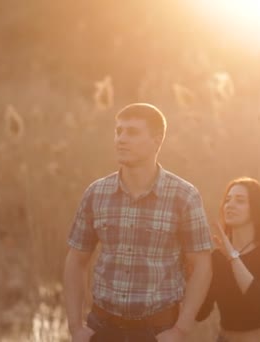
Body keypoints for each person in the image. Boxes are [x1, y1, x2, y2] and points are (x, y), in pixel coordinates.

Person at [63, 103, 213, 342]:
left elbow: (202, 265)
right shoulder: (96, 193)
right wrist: (75, 327)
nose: (121, 139)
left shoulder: (184, 196)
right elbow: (76, 260)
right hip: (101, 328)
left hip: (158, 330)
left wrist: (180, 330)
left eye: (132, 132)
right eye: (118, 131)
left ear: (156, 140)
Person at [197, 177, 260, 342]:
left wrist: (233, 256)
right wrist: (190, 267)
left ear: (256, 209)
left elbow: (259, 301)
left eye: (240, 201)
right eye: (227, 200)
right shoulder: (217, 258)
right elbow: (200, 313)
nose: (230, 205)